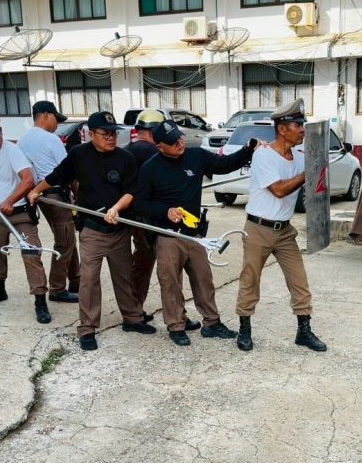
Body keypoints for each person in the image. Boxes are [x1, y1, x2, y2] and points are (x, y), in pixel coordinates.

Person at [28, 111, 155, 351]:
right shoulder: (79, 155)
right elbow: (58, 175)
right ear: (91, 134)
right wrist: (37, 190)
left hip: (119, 229)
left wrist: (116, 208)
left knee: (124, 276)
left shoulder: (125, 158)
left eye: (114, 133)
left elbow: (131, 191)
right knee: (88, 280)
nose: (111, 138)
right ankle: (87, 328)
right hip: (92, 230)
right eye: (105, 134)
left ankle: (132, 318)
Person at [132, 120, 253, 347]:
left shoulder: (196, 156)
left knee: (203, 279)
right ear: (160, 146)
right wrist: (165, 211)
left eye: (179, 137)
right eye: (172, 142)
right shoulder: (150, 168)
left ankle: (212, 323)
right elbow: (139, 203)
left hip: (194, 234)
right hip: (168, 236)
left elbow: (225, 164)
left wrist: (248, 149)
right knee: (170, 283)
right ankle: (176, 326)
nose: (179, 143)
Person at [234, 99, 326, 353]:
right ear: (282, 129)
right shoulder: (263, 155)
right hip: (258, 229)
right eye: (298, 125)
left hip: (284, 231)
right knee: (250, 280)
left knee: (299, 280)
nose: (302, 130)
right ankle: (244, 329)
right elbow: (279, 190)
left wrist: (317, 166)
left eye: (303, 124)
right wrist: (308, 173)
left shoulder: (299, 157)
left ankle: (303, 331)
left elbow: (318, 179)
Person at [0, 113, 51, 325]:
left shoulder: (12, 151)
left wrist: (10, 199)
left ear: (1, 132)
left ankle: (40, 300)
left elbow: (28, 179)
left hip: (20, 212)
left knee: (31, 252)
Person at [16, 100, 80, 303]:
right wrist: (78, 195)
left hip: (39, 196)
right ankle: (57, 288)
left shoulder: (22, 141)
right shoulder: (51, 139)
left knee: (66, 238)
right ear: (45, 115)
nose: (56, 124)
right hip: (57, 195)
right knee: (65, 241)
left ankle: (76, 279)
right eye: (55, 119)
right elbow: (68, 170)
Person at [124, 108, 175, 325]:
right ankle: (174, 315)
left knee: (139, 264)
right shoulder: (155, 153)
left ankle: (134, 309)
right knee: (160, 265)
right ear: (155, 132)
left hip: (129, 216)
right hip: (149, 219)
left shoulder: (126, 150)